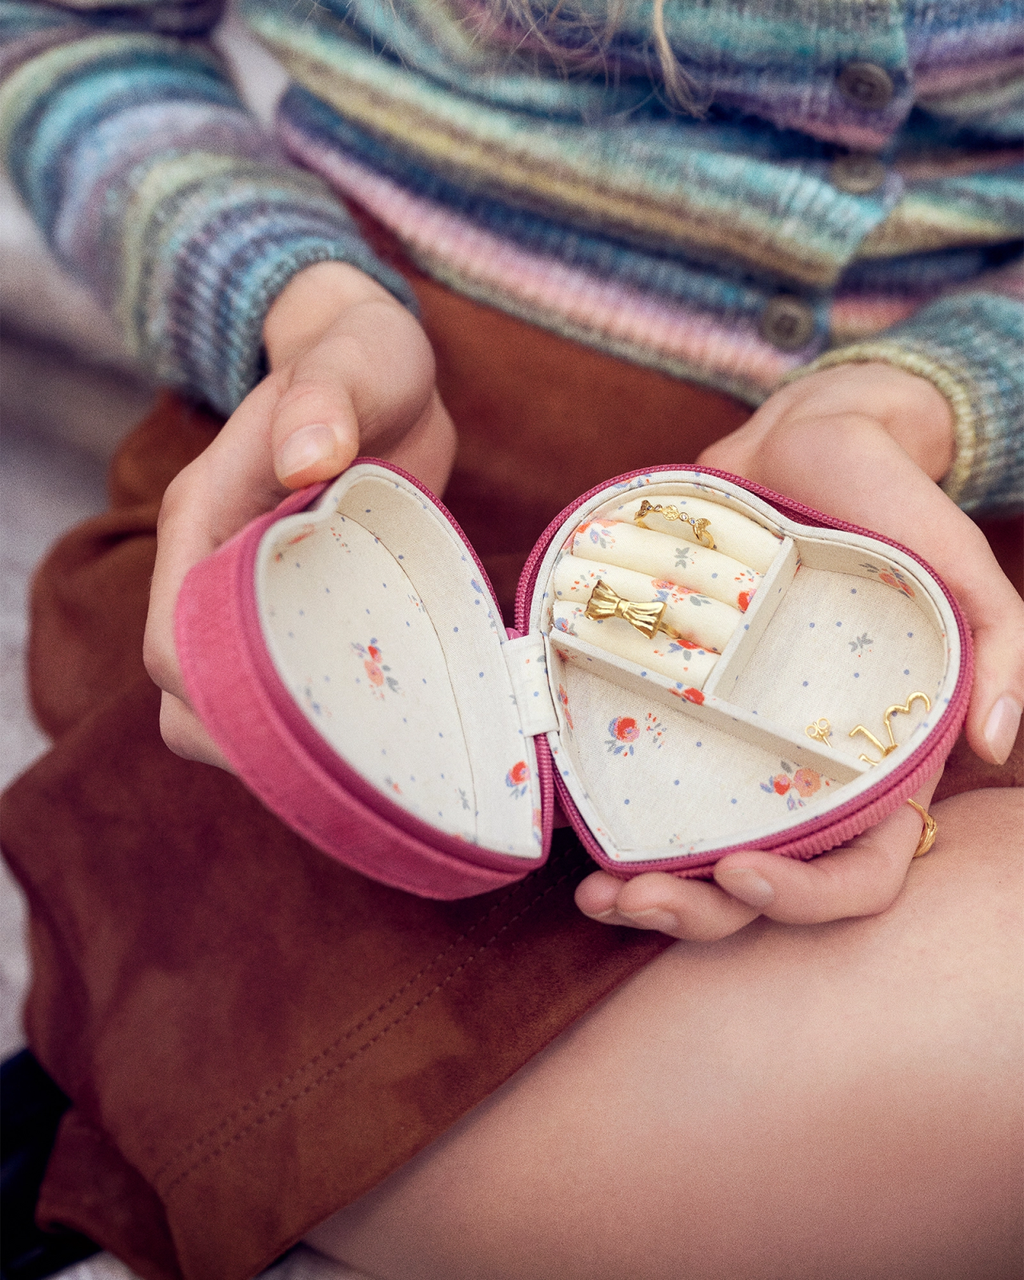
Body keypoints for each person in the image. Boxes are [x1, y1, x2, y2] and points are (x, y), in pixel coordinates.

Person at [0, 0, 1021, 1276]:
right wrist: (304, 307)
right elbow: (62, 29)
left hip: (900, 544)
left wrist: (933, 401)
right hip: (368, 538)